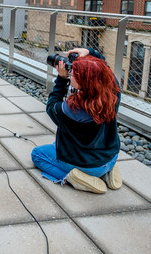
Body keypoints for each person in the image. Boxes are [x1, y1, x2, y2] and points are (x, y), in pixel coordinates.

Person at [31, 47, 122, 194]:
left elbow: (51, 107)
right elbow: (103, 67)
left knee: (37, 154)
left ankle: (73, 178)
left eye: (73, 74)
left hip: (89, 166)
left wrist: (61, 79)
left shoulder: (73, 109)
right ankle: (109, 170)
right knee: (59, 143)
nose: (70, 74)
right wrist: (89, 52)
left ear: (84, 82)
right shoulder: (114, 92)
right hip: (110, 156)